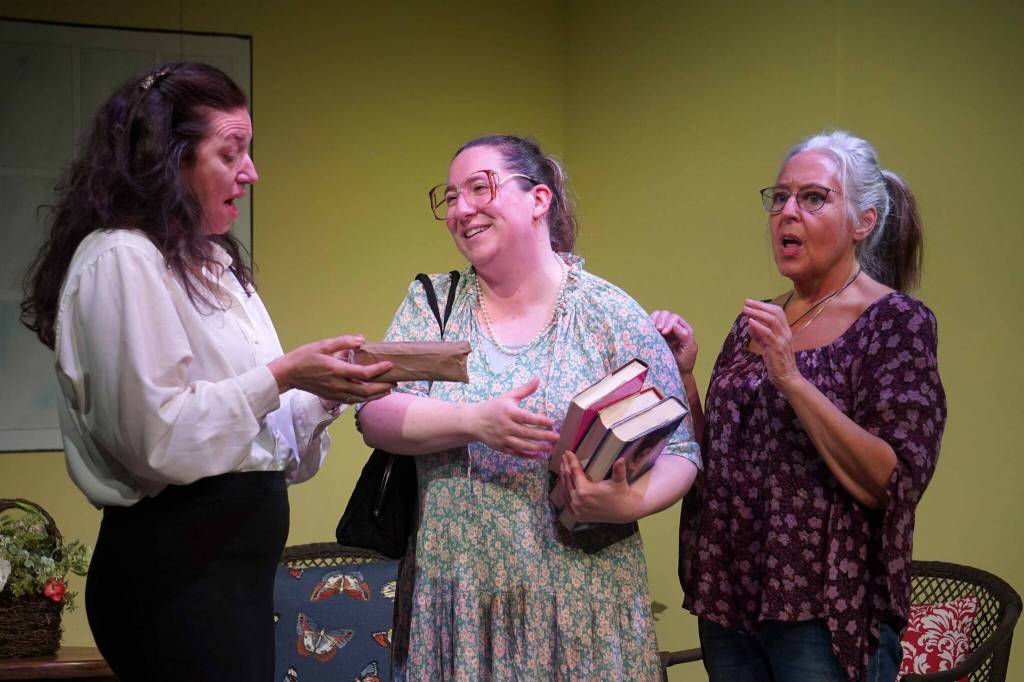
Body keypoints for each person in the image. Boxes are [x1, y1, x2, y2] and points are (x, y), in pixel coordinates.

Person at [19, 63, 395, 681]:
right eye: (231, 152)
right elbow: (158, 440)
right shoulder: (122, 260)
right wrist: (281, 374)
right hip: (174, 579)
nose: (251, 172)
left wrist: (326, 388)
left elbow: (264, 448)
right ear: (170, 160)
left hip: (227, 583)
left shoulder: (214, 264)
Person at [356, 134, 701, 680]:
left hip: (584, 604)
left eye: (479, 187)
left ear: (538, 199)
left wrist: (625, 503)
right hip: (460, 605)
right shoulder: (433, 305)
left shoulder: (607, 313)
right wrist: (474, 421)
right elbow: (374, 415)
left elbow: (681, 448)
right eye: (450, 197)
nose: (461, 209)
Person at [668, 130, 947, 681]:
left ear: (863, 221)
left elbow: (893, 482)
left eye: (813, 198)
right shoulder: (760, 320)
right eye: (780, 197)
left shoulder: (896, 323)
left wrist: (792, 379)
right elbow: (717, 459)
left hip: (825, 609)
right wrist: (687, 378)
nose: (787, 213)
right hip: (730, 598)